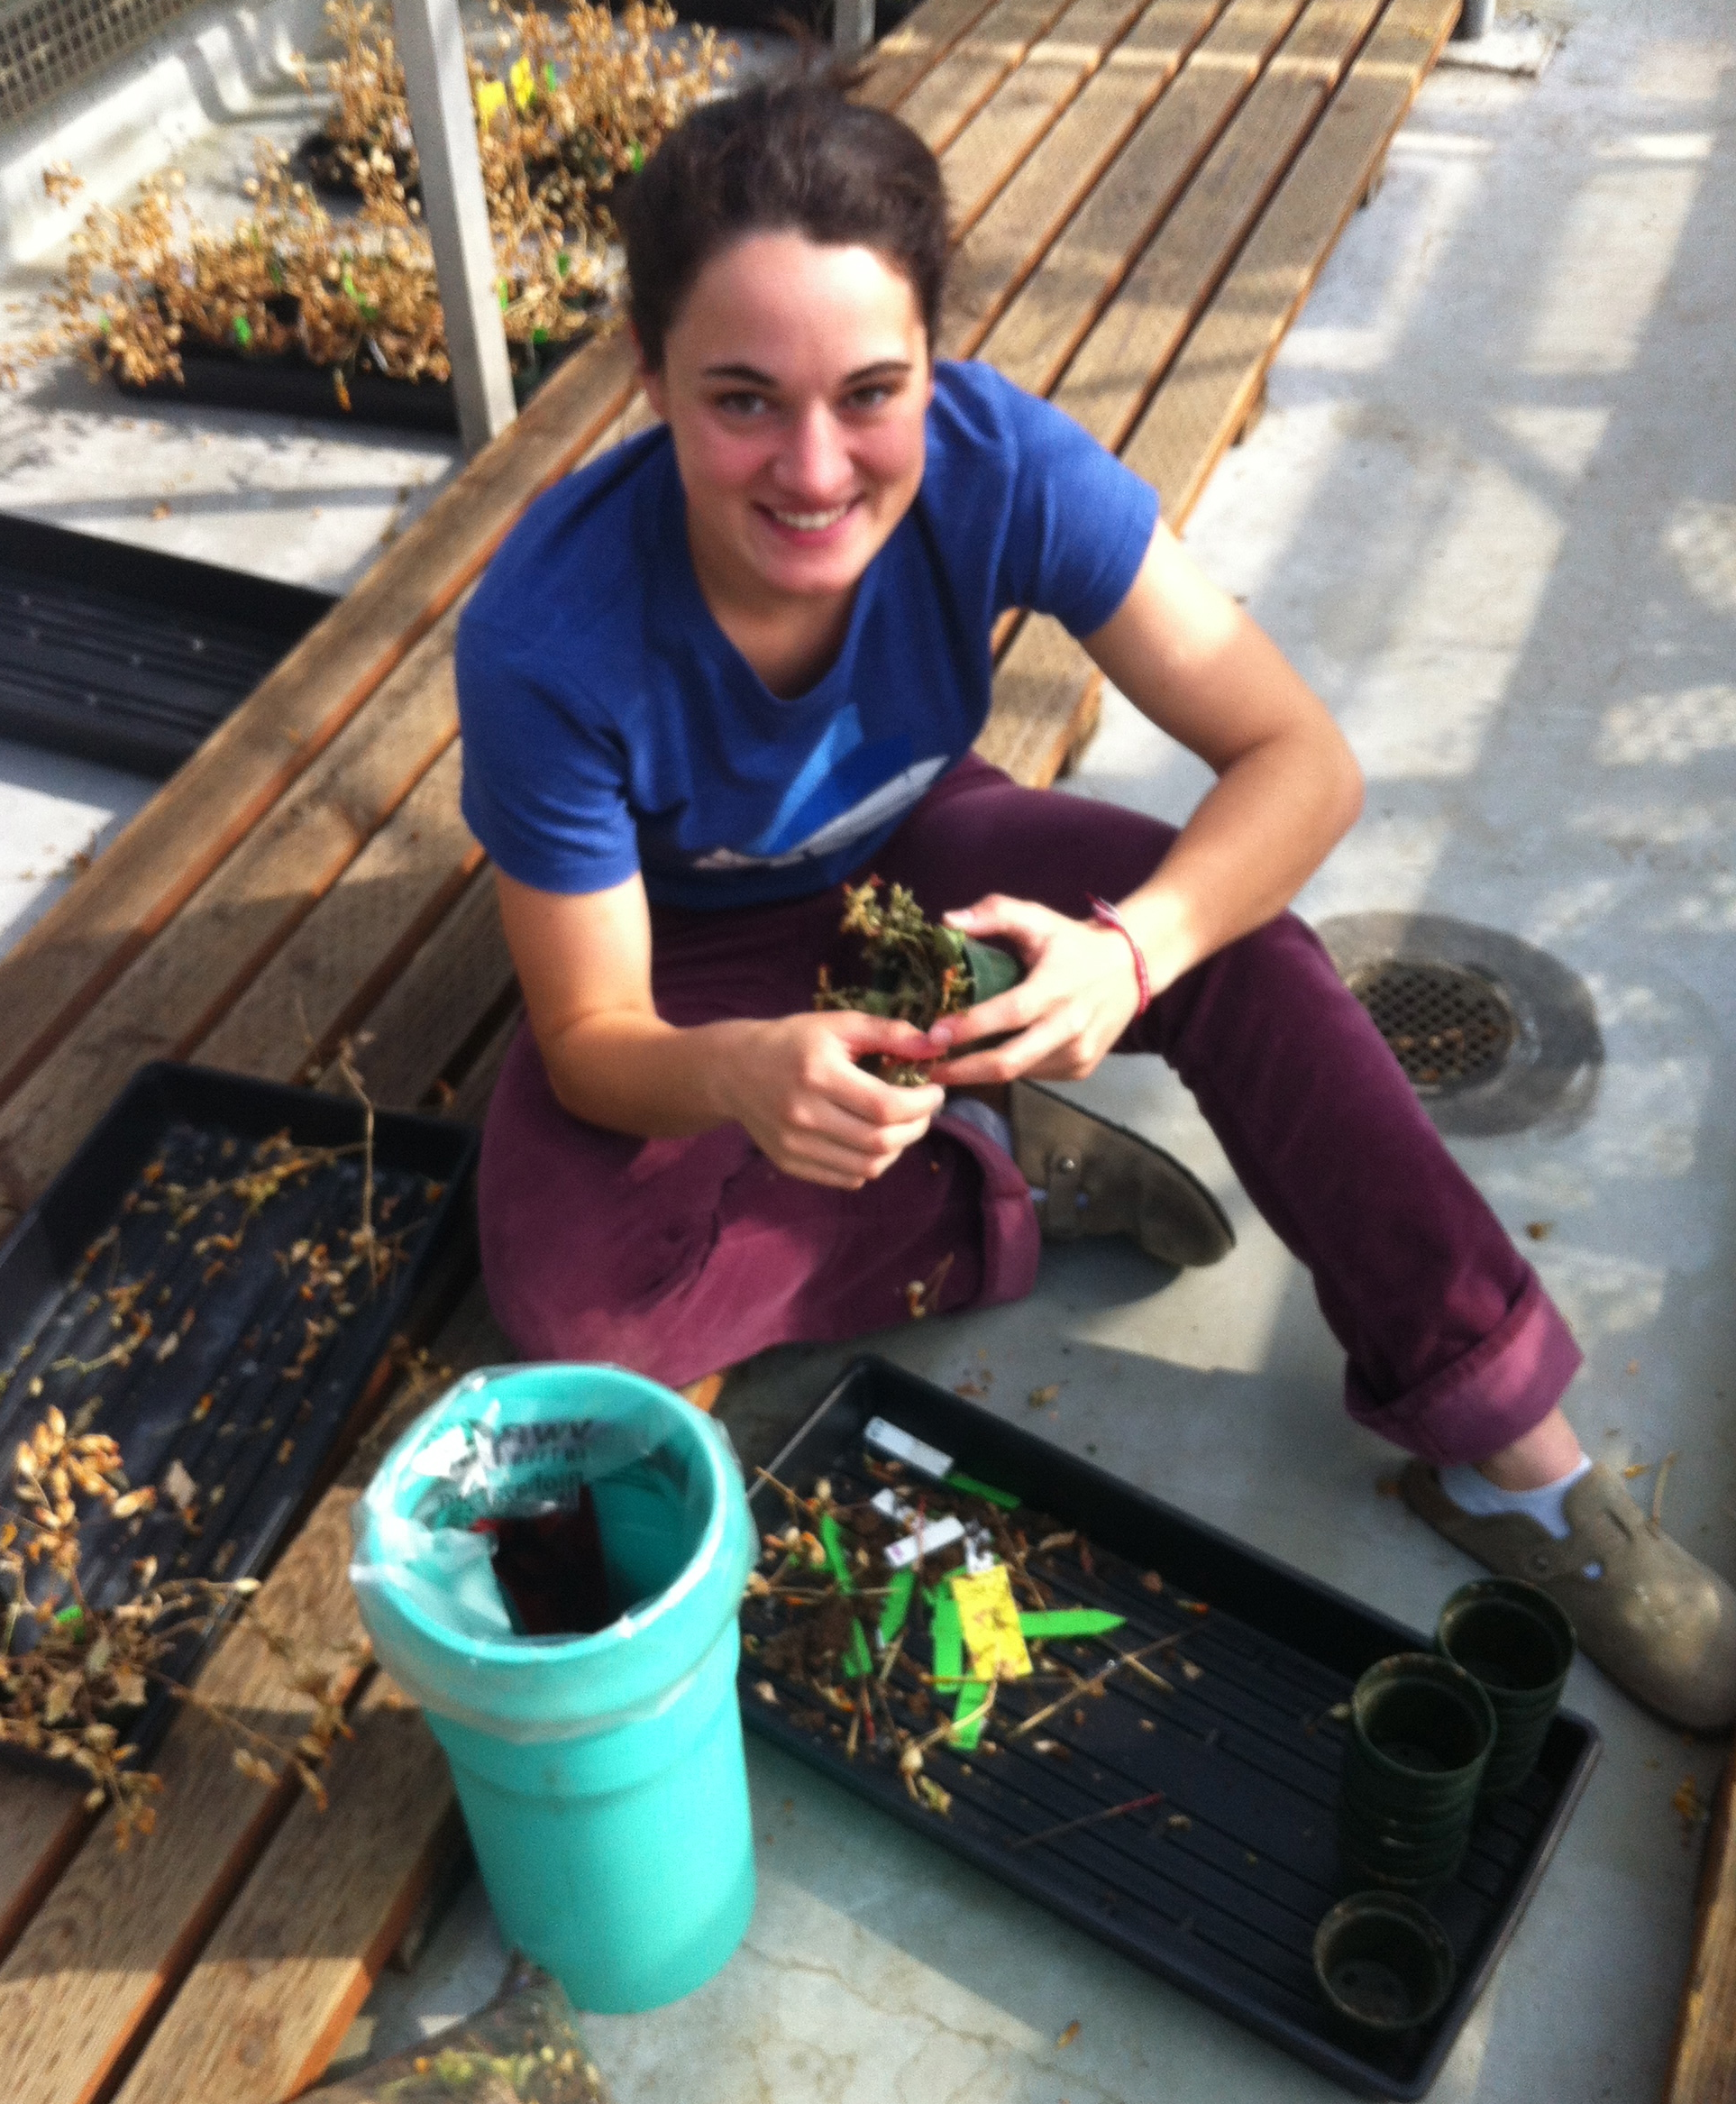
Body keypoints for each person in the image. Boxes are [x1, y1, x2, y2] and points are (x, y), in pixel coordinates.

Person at [453, 74, 1735, 1730]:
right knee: (568, 1307)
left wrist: (1140, 945)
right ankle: (997, 1174)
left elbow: (1298, 760)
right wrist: (735, 1074)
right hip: (683, 951)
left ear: (937, 365)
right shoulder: (546, 637)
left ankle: (1518, 1466)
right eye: (741, 402)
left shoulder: (1002, 467)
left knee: (1246, 950)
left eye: (871, 391)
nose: (816, 467)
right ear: (647, 383)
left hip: (923, 860)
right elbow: (587, 1033)